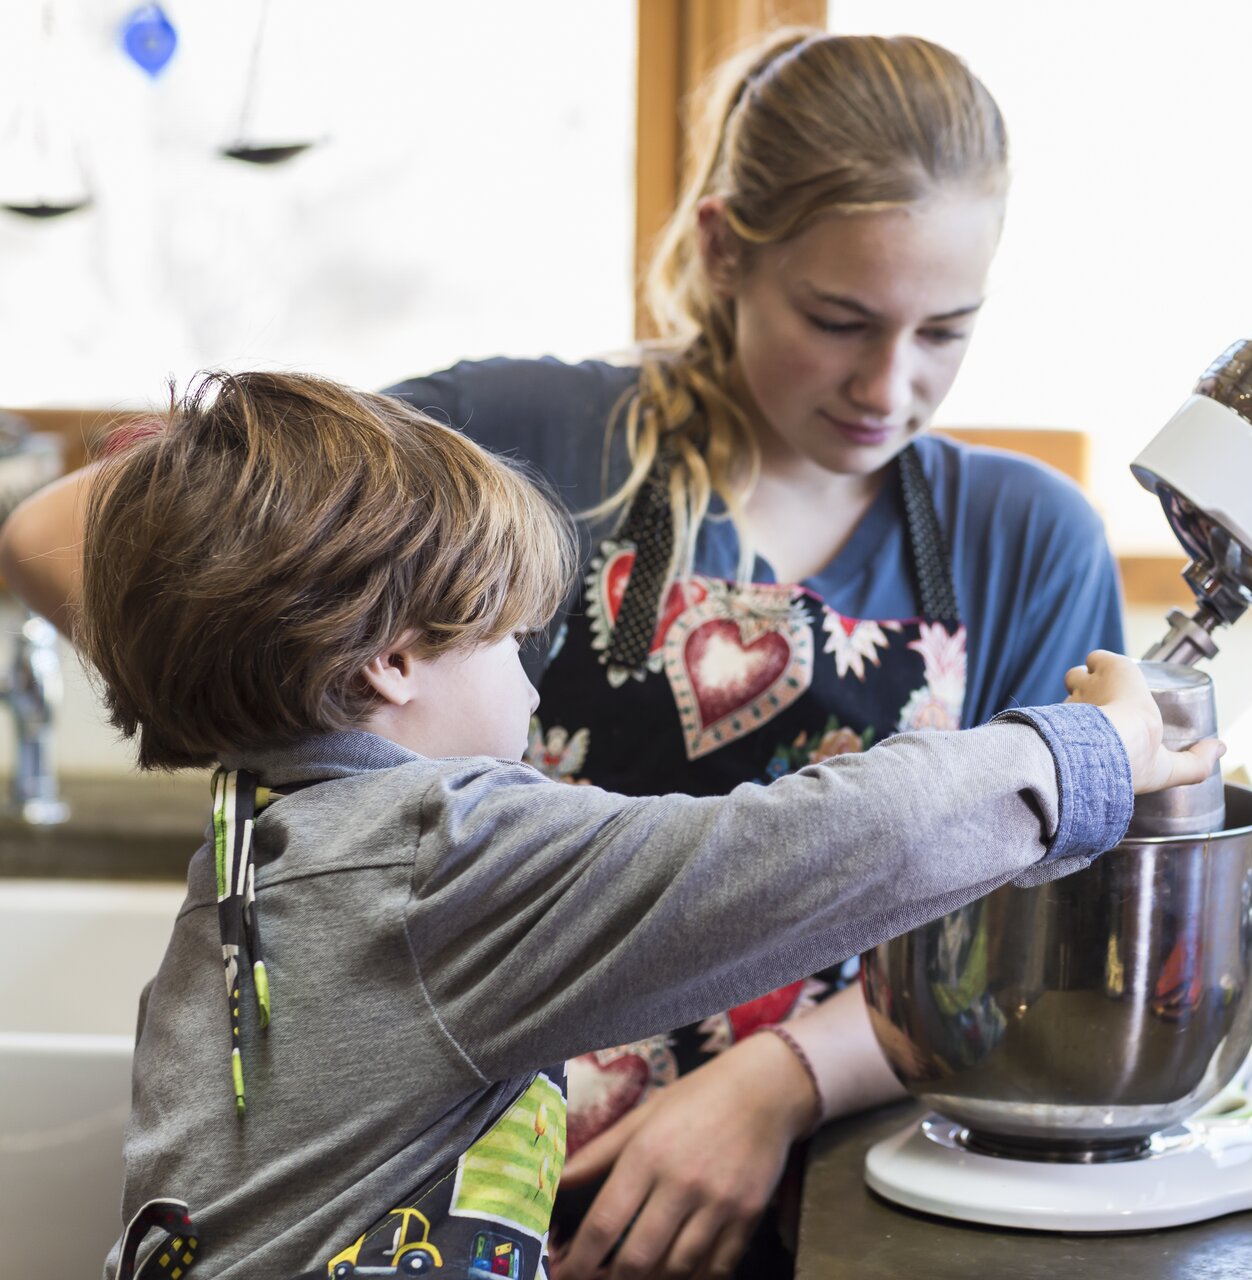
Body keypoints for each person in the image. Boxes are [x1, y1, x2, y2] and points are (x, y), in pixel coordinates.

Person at [0, 28, 1128, 1280]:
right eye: (838, 319)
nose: (888, 384)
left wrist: (785, 1076)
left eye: (946, 332)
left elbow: (1024, 928)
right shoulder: (513, 438)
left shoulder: (1029, 536)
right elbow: (60, 531)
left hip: (829, 1195)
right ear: (724, 249)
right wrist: (292, 692)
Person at [80, 370, 1214, 1280]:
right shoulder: (438, 858)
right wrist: (1094, 748)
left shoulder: (255, 845)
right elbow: (827, 845)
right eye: (505, 639)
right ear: (389, 660)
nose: (532, 682)